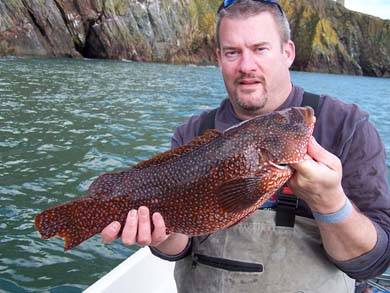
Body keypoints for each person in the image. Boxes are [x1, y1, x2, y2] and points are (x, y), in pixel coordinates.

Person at [101, 0, 390, 292]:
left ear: (287, 52)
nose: (246, 66)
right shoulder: (192, 133)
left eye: (260, 49)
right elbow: (178, 247)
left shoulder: (347, 126)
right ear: (219, 58)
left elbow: (374, 261)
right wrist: (159, 235)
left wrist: (331, 203)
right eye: (232, 52)